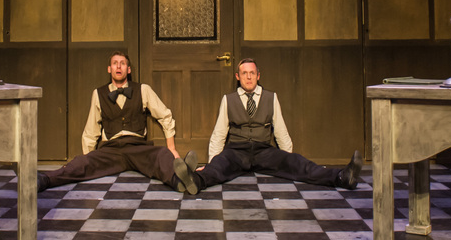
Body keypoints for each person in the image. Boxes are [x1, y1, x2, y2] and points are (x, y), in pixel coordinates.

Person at [174, 58, 363, 193]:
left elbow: (280, 130)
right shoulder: (228, 99)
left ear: (258, 75)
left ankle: (342, 177)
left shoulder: (271, 97)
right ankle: (193, 181)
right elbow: (219, 134)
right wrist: (211, 162)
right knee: (219, 167)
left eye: (252, 73)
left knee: (300, 164)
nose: (248, 77)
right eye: (244, 73)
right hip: (236, 151)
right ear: (238, 76)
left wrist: (288, 160)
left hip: (263, 151)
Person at [36, 51, 198, 193]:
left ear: (128, 69)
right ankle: (45, 179)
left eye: (122, 63)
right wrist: (88, 159)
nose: (118, 66)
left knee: (162, 155)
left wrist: (172, 148)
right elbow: (91, 130)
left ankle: (180, 181)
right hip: (110, 149)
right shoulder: (98, 93)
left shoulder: (143, 89)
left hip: (138, 148)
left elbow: (165, 115)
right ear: (109, 69)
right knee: (80, 162)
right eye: (115, 63)